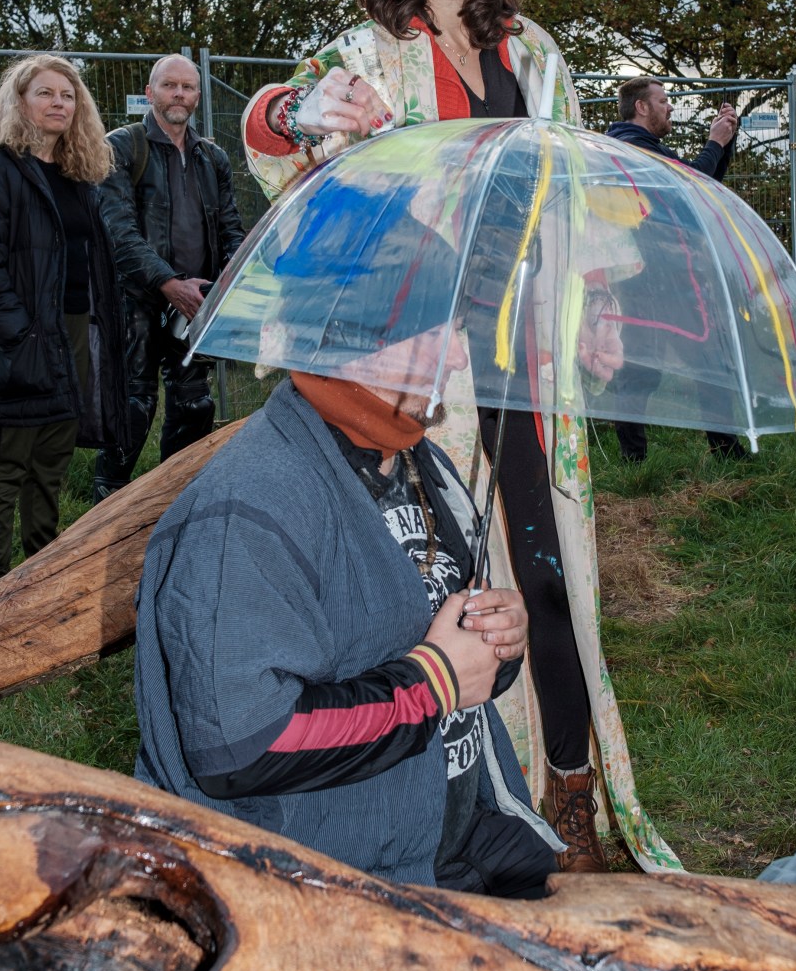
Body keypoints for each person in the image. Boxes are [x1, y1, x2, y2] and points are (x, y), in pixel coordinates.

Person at [240, 0, 679, 874]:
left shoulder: (536, 54)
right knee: (438, 572)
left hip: (529, 351)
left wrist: (600, 304)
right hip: (419, 362)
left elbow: (579, 191)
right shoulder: (365, 49)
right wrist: (305, 113)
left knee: (548, 573)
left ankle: (567, 787)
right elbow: (270, 128)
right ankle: (462, 795)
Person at [134, 214, 563, 895]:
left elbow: (445, 641)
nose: (456, 357)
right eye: (436, 332)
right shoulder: (248, 510)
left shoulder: (417, 459)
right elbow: (240, 746)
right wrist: (431, 685)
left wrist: (494, 642)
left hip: (455, 848)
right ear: (356, 337)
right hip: (319, 887)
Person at [0, 54, 128, 588]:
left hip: (72, 330)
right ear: (19, 102)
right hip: (20, 336)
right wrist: (19, 332)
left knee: (51, 459)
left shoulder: (78, 175)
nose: (59, 103)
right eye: (46, 93)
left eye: (68, 95)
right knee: (8, 466)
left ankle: (39, 575)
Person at [93, 54, 245, 500]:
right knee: (133, 406)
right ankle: (105, 508)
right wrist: (166, 283)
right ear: (150, 93)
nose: (179, 94)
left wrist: (226, 284)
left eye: (188, 87)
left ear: (198, 95)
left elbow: (231, 227)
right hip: (136, 299)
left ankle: (173, 502)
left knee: (194, 405)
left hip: (197, 300)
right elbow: (116, 231)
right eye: (169, 86)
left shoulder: (211, 156)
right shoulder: (121, 147)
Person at [606, 76, 746, 462]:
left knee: (711, 366)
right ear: (642, 107)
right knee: (641, 373)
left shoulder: (648, 148)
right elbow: (689, 182)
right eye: (663, 100)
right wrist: (714, 142)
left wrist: (726, 142)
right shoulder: (630, 148)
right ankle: (634, 461)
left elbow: (701, 187)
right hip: (649, 284)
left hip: (670, 280)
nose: (669, 107)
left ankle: (727, 452)